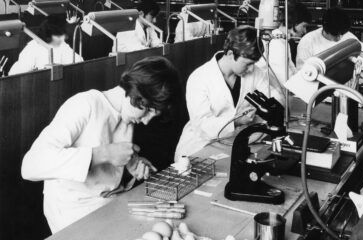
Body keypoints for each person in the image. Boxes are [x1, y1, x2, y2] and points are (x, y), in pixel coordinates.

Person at [21, 56, 181, 233]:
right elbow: (30, 166)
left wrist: (131, 164)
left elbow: (104, 168)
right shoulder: (85, 105)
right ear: (136, 92)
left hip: (107, 204)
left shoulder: (128, 115)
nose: (146, 121)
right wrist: (103, 154)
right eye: (149, 110)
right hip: (72, 211)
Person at [174, 26, 285, 161]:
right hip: (201, 146)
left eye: (254, 64)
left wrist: (265, 109)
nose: (251, 69)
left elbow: (276, 96)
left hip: (234, 143)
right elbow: (201, 126)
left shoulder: (254, 72)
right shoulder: (199, 78)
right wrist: (236, 121)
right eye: (248, 64)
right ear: (231, 54)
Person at [256, 1, 311, 86]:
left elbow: (292, 70)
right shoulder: (277, 44)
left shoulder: (283, 41)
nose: (305, 31)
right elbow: (285, 80)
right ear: (294, 22)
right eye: (304, 26)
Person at [9, 15, 83, 75]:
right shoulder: (32, 48)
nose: (65, 38)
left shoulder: (61, 45)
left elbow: (79, 62)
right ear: (50, 35)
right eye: (60, 35)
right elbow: (14, 74)